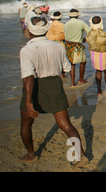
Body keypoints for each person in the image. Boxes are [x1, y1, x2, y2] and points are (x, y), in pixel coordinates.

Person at [19, 16, 88, 167]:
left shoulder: (26, 50)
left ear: (30, 31)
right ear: (46, 30)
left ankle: (31, 155)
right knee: (66, 125)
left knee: (26, 124)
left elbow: (28, 77)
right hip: (55, 85)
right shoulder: (58, 47)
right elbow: (67, 69)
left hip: (35, 87)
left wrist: (28, 101)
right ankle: (81, 155)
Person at [86, 16, 106, 95]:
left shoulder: (89, 34)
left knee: (98, 71)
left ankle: (99, 90)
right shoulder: (105, 34)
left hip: (94, 53)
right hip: (104, 53)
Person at [63, 9, 91, 87]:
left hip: (68, 45)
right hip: (77, 46)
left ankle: (72, 83)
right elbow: (89, 32)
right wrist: (84, 38)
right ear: (77, 15)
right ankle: (81, 79)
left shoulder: (66, 24)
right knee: (83, 62)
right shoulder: (81, 23)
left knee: (72, 64)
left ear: (69, 15)